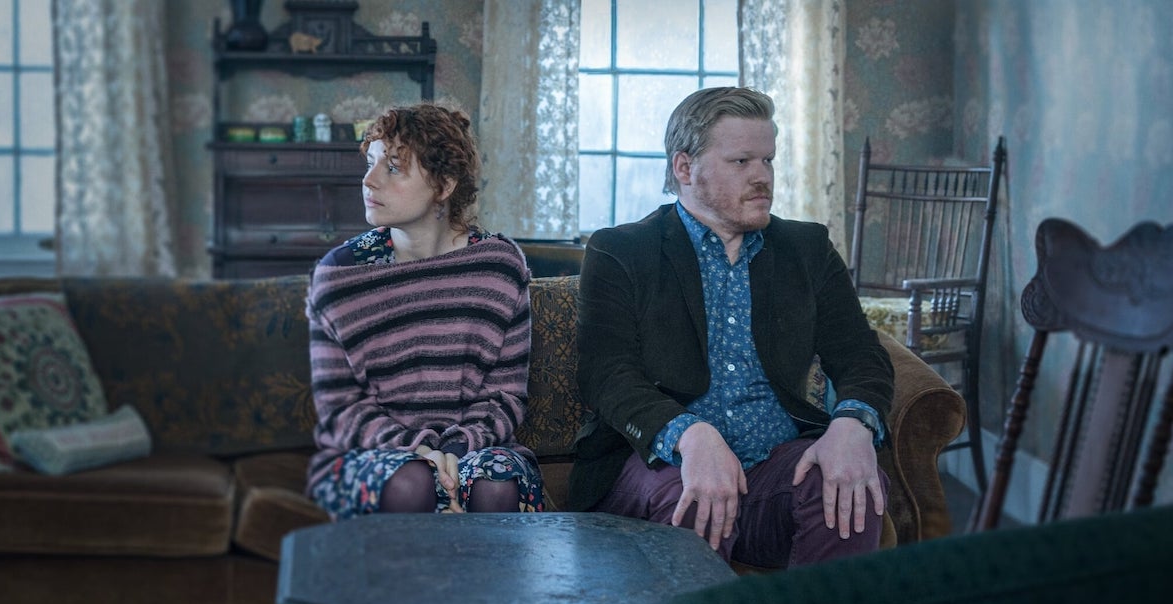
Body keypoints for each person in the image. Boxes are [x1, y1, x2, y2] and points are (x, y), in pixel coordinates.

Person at [567, 87, 893, 568]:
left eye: (768, 160)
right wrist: (690, 435)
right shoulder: (621, 251)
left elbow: (861, 353)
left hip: (774, 464)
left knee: (849, 485)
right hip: (661, 465)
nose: (763, 177)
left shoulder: (807, 248)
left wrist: (853, 423)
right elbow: (606, 374)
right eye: (741, 162)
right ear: (685, 168)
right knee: (692, 499)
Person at [304, 102, 544, 519]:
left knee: (495, 482)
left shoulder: (499, 266)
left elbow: (505, 395)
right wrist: (421, 453)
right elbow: (340, 407)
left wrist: (454, 451)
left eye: (393, 167)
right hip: (374, 452)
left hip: (477, 449)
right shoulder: (339, 274)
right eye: (371, 163)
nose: (369, 180)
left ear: (444, 185)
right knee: (411, 481)